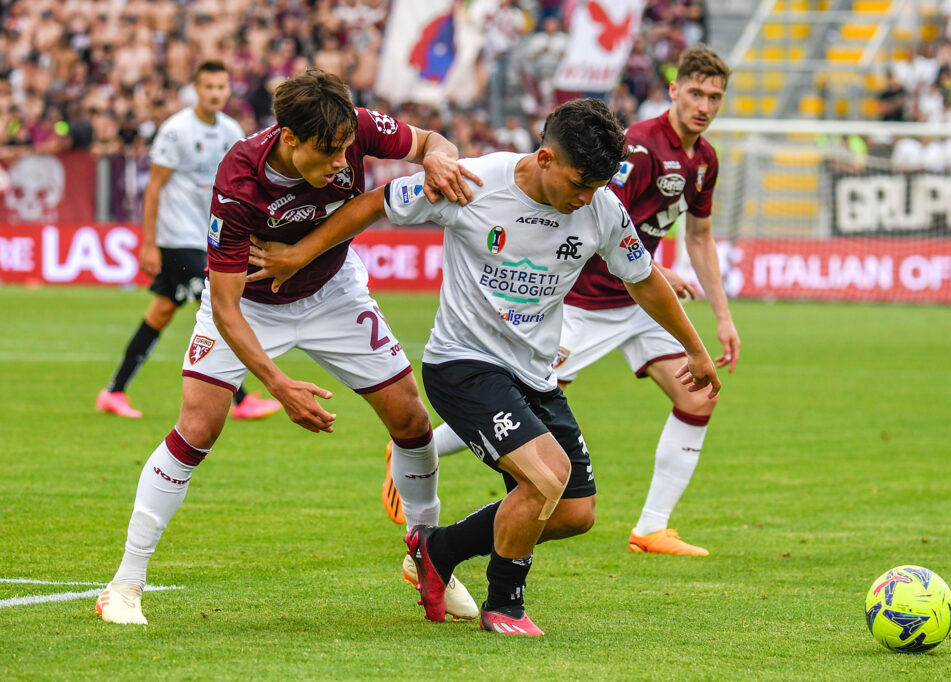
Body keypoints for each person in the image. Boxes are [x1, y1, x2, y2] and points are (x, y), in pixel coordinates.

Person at [245, 98, 721, 634]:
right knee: (547, 479)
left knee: (574, 513)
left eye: (597, 185)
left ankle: (438, 550)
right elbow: (376, 202)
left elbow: (644, 279)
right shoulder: (473, 183)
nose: (586, 197)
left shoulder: (601, 208)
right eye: (580, 182)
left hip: (533, 374)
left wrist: (696, 348)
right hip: (463, 365)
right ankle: (505, 605)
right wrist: (298, 254)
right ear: (544, 158)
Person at [95, 69, 483, 625]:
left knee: (412, 419)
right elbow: (225, 307)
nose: (339, 165)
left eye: (346, 152)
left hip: (333, 292)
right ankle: (125, 584)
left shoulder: (353, 128)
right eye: (327, 155)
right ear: (289, 138)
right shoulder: (240, 178)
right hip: (250, 303)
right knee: (197, 429)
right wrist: (278, 385)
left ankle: (426, 556)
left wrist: (440, 155)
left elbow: (427, 143)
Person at [389, 46, 740, 557]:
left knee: (696, 398)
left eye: (715, 96)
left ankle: (652, 526)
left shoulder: (703, 160)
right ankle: (417, 453)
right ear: (674, 90)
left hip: (633, 304)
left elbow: (693, 239)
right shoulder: (633, 149)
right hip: (582, 305)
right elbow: (587, 218)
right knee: (528, 432)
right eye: (696, 92)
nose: (704, 105)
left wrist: (717, 324)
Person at [96, 60, 282, 421]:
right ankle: (241, 400)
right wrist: (150, 244)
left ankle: (114, 391)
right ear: (196, 89)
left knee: (162, 312)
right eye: (208, 86)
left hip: (207, 236)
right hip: (176, 238)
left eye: (221, 87)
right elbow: (154, 188)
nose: (215, 93)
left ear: (228, 90)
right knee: (221, 306)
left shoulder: (230, 131)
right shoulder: (176, 130)